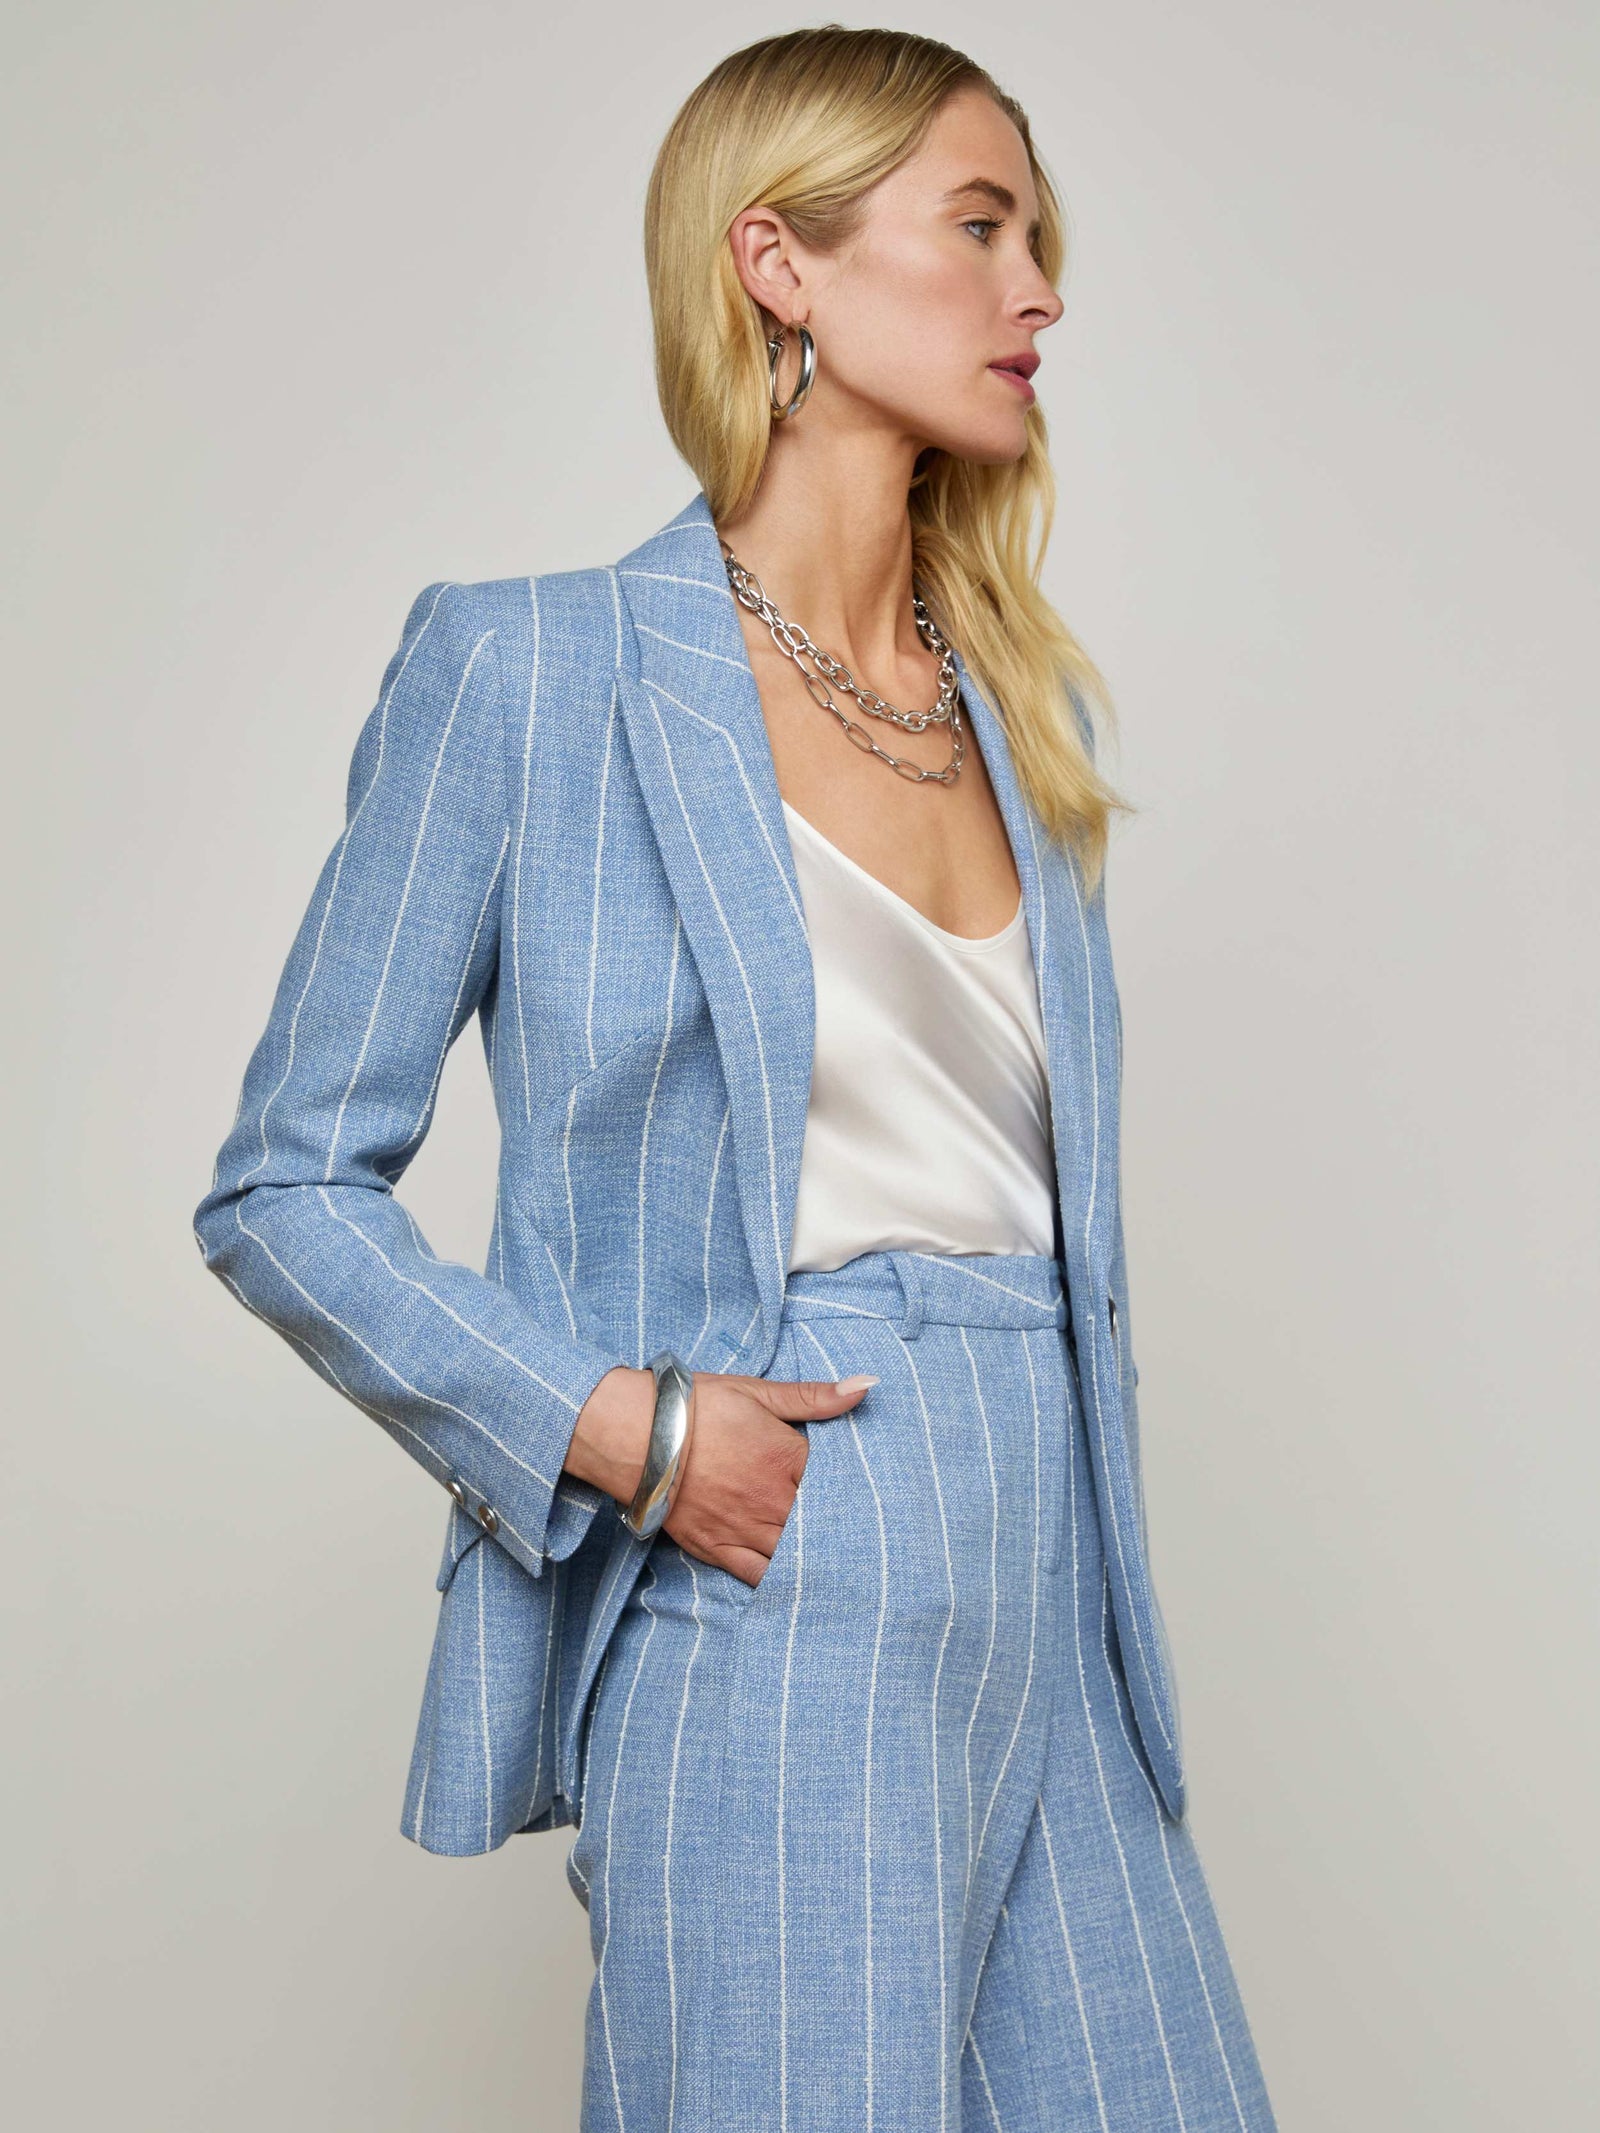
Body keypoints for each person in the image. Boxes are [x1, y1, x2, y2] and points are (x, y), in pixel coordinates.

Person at [193, 25, 1280, 2130]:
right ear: (777, 263)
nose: (1039, 291)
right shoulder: (533, 670)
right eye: (981, 227)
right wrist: (621, 1427)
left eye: (1040, 239)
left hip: (1062, 1592)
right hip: (781, 1562)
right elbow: (282, 1185)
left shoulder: (1023, 722)